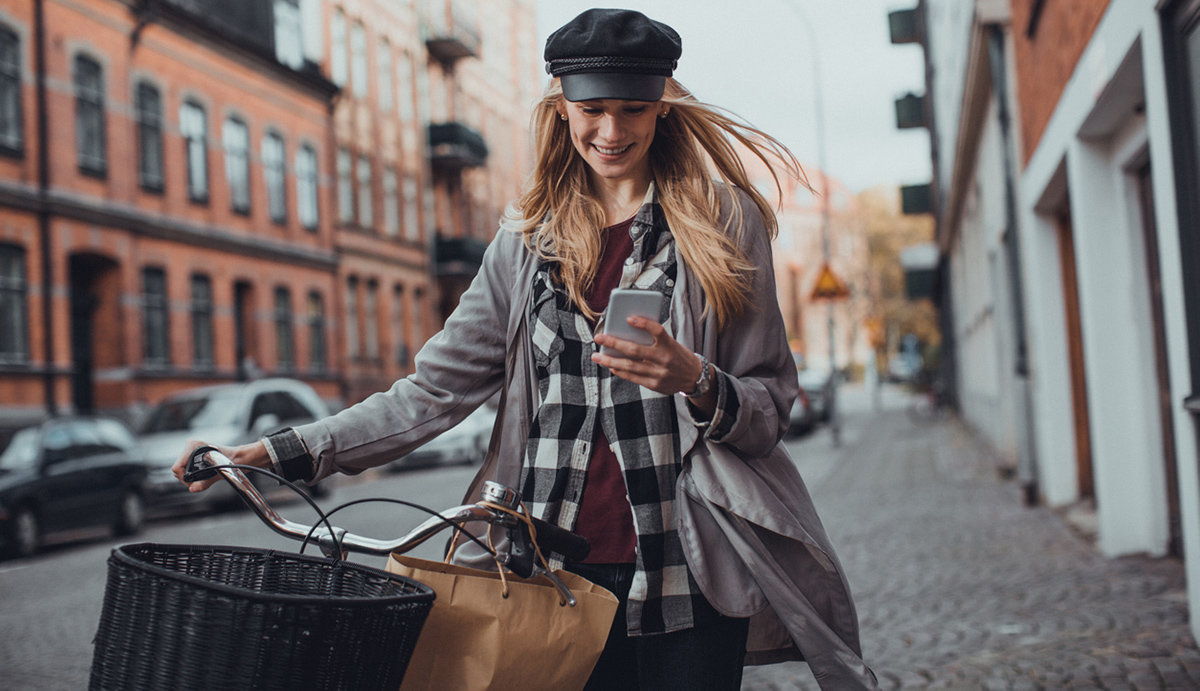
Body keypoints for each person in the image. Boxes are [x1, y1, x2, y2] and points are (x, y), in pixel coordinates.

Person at [173, 8, 877, 689]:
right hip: (548, 574)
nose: (610, 129)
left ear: (663, 105)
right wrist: (276, 451)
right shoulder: (524, 241)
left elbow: (768, 408)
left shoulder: (725, 221)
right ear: (562, 107)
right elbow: (428, 394)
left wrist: (694, 378)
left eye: (632, 107)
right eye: (591, 109)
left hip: (685, 573)